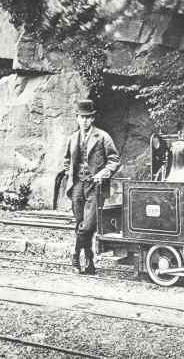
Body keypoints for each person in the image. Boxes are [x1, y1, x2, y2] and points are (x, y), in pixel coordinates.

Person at [64, 99, 120, 274]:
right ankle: (89, 262)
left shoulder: (103, 136)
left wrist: (101, 174)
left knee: (88, 225)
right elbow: (67, 160)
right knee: (80, 223)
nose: (85, 121)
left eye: (88, 118)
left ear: (93, 119)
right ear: (77, 118)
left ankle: (75, 254)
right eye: (82, 117)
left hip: (95, 187)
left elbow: (114, 160)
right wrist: (69, 173)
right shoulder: (73, 138)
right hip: (77, 186)